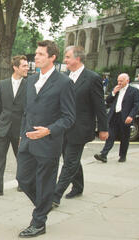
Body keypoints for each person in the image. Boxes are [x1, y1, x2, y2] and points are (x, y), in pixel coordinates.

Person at [16, 40, 75, 238]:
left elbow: (69, 117)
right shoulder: (31, 81)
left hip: (48, 143)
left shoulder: (64, 82)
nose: (36, 57)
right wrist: (21, 135)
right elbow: (27, 112)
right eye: (36, 53)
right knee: (23, 179)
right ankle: (44, 205)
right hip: (27, 141)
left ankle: (39, 221)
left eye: (41, 54)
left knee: (45, 183)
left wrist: (48, 130)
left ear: (52, 57)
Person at [52, 46, 108, 208]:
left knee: (69, 162)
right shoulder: (65, 76)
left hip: (81, 128)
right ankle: (78, 187)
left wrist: (103, 128)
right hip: (64, 127)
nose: (65, 60)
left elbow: (100, 106)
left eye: (68, 57)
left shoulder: (92, 78)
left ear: (78, 59)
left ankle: (55, 196)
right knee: (72, 159)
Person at [0, 55, 29, 197]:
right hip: (3, 127)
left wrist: (26, 130)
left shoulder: (29, 85)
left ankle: (23, 184)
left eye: (27, 65)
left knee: (21, 157)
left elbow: (29, 110)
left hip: (20, 129)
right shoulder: (3, 84)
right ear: (15, 67)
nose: (27, 68)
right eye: (24, 66)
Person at [94, 73, 139, 163]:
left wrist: (131, 116)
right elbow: (108, 101)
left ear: (127, 81)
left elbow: (136, 105)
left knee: (124, 137)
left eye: (121, 81)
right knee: (110, 136)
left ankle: (122, 156)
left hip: (125, 117)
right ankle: (103, 155)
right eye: (118, 80)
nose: (119, 83)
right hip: (114, 116)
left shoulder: (134, 91)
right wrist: (113, 93)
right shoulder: (116, 89)